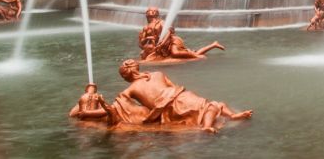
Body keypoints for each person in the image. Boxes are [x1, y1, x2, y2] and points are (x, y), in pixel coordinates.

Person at [100, 59, 252, 133]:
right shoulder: (157, 73)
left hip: (169, 107)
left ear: (126, 76)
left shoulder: (129, 90)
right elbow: (174, 87)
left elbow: (118, 107)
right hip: (180, 96)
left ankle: (214, 123)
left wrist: (101, 106)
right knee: (212, 104)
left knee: (211, 105)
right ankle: (226, 118)